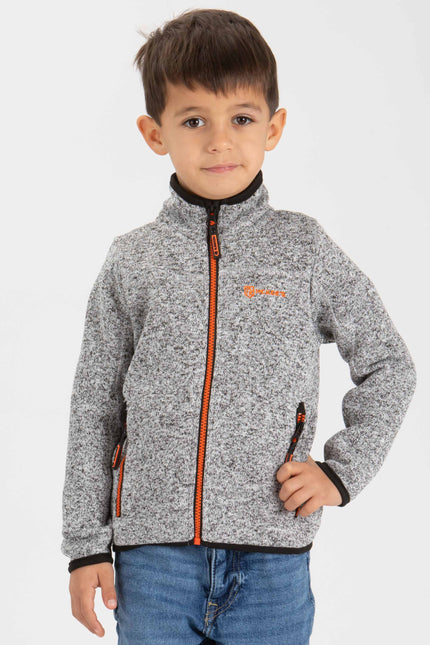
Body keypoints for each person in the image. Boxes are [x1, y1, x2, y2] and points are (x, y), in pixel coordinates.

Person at [61, 8, 417, 644]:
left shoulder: (305, 250)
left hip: (272, 559)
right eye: (194, 120)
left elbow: (390, 365)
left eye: (242, 120)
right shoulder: (133, 259)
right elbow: (95, 407)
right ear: (154, 133)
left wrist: (341, 472)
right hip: (152, 560)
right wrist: (86, 545)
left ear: (273, 128)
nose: (220, 142)